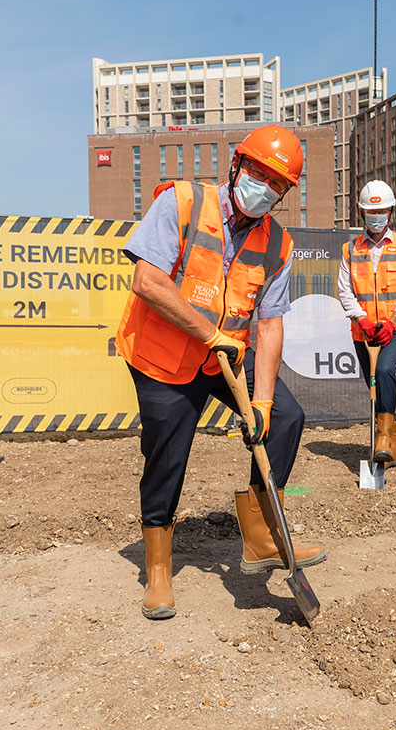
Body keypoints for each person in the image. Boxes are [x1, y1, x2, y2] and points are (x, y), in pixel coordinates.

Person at [116, 125, 325, 620]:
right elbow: (147, 280)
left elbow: (270, 324)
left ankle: (259, 533)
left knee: (286, 419)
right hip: (163, 357)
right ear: (237, 165)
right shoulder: (183, 203)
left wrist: (263, 402)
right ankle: (159, 569)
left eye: (276, 184)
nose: (263, 187)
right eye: (257, 173)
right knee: (168, 451)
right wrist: (209, 333)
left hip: (223, 357)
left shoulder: (277, 242)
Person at [337, 180, 396, 466]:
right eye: (371, 211)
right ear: (361, 213)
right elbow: (344, 291)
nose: (377, 216)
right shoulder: (350, 250)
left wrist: (391, 322)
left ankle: (383, 440)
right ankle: (389, 445)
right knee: (372, 382)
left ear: (391, 213)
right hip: (364, 330)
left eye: (382, 210)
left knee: (384, 370)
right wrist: (362, 319)